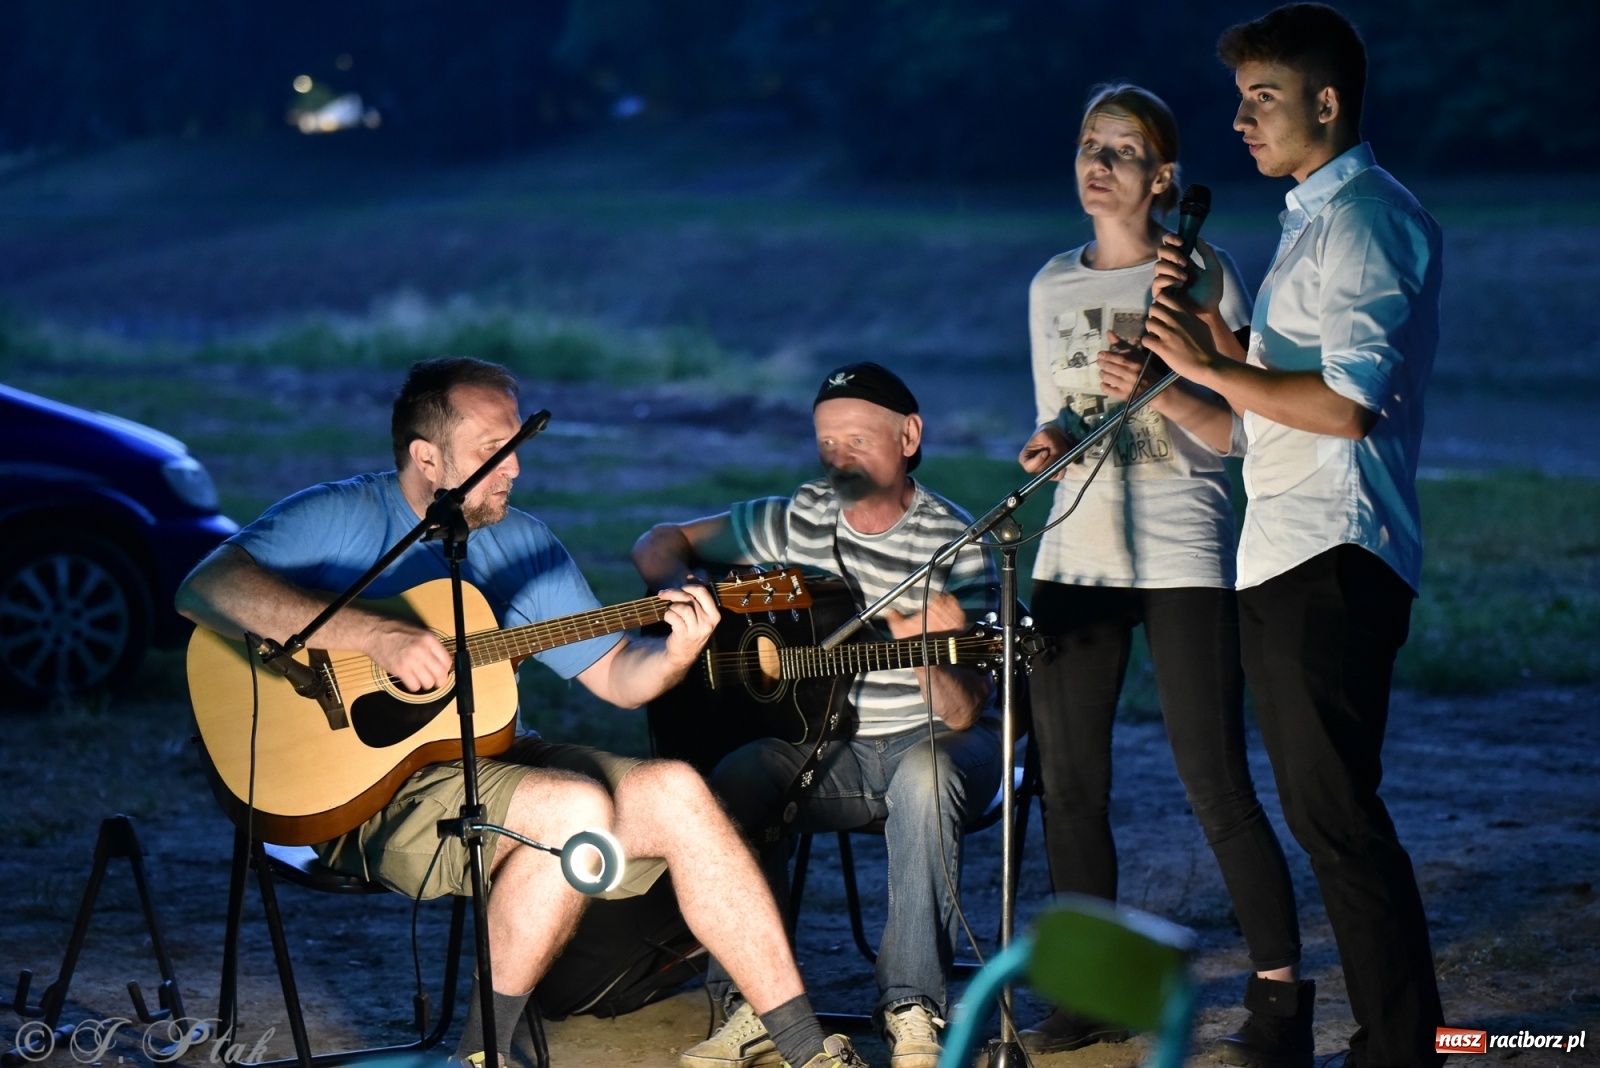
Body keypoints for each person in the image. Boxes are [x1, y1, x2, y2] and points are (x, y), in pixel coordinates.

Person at [175, 357, 867, 1068]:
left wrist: (681, 650)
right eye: (491, 453)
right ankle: (483, 1057)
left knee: (679, 791)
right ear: (426, 457)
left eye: (517, 450)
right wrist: (373, 635)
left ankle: (802, 1045)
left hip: (492, 759)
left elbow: (619, 679)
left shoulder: (525, 544)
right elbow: (205, 587)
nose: (513, 471)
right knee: (568, 809)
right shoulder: (341, 516)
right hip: (358, 789)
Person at [1138, 6, 1447, 1066]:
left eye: (1260, 98)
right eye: (1238, 101)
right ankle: (1392, 1037)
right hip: (1278, 549)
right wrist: (1182, 376)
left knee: (1336, 818)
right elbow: (1245, 425)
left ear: (1326, 102)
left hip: (1335, 553)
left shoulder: (1369, 219)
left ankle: (1402, 1045)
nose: (1238, 121)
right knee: (1322, 816)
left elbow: (1349, 405)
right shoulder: (1309, 224)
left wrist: (1218, 360)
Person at [1012, 83, 1305, 1063]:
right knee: (1069, 784)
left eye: (1124, 150)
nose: (1099, 163)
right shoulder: (1051, 285)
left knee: (1214, 780)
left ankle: (1278, 995)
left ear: (1163, 178)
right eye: (1089, 144)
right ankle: (1090, 991)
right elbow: (1061, 415)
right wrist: (1047, 439)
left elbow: (1236, 433)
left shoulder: (1203, 276)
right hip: (1071, 553)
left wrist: (1161, 391)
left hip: (1183, 552)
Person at [633, 362, 1002, 1068]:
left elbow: (964, 712)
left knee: (925, 774)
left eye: (857, 441)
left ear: (910, 436)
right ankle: (755, 1006)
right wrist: (684, 595)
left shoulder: (957, 540)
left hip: (939, 745)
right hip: (823, 751)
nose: (838, 460)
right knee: (735, 778)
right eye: (826, 444)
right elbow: (659, 539)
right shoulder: (794, 518)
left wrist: (926, 651)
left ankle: (912, 1007)